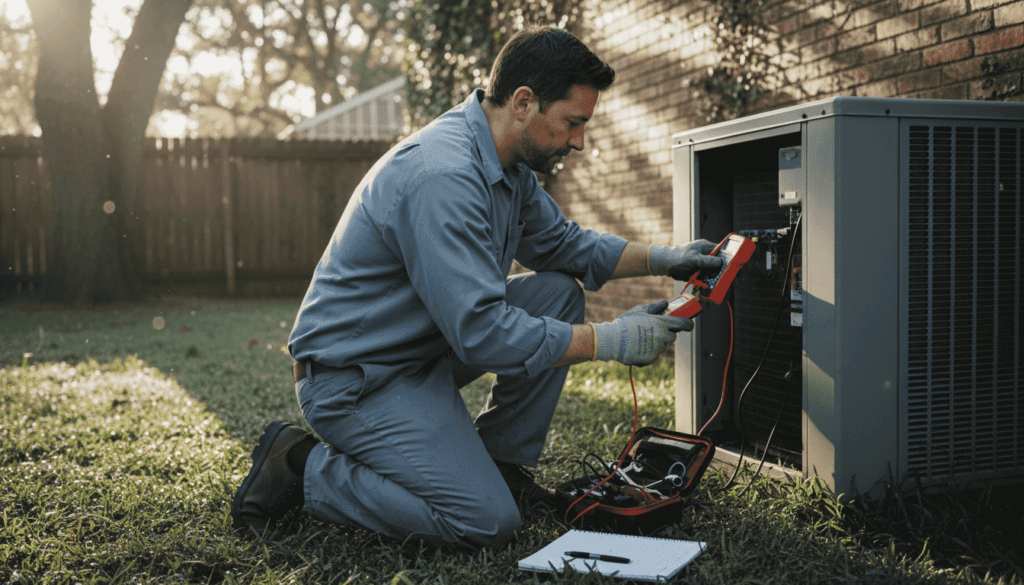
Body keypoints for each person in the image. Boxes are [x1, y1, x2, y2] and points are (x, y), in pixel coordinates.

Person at [231, 25, 722, 549]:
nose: (578, 141)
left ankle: (503, 469)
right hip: (356, 380)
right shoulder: (441, 174)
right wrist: (612, 340)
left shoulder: (507, 167)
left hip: (418, 353)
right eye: (572, 123)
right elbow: (484, 334)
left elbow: (565, 246)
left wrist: (665, 259)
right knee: (487, 522)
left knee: (557, 291)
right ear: (524, 102)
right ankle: (301, 467)